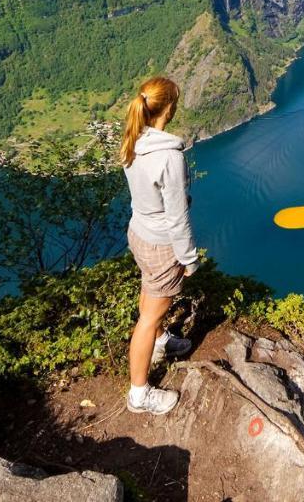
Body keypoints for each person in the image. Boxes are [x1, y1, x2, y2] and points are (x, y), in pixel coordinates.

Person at [119, 75, 198, 415]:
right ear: (169, 107)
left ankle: (161, 343)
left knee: (149, 295)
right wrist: (189, 259)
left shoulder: (133, 139)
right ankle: (140, 394)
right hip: (162, 244)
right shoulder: (169, 156)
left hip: (139, 232)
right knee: (149, 318)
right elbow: (177, 218)